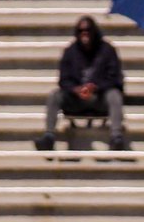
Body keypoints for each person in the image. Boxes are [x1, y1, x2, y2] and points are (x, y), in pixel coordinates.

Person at [35, 16, 125, 152]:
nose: (85, 33)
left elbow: (115, 79)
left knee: (114, 95)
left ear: (94, 31)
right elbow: (63, 80)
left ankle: (116, 137)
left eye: (88, 30)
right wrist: (75, 89)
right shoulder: (70, 51)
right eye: (81, 30)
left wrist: (95, 87)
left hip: (99, 98)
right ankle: (48, 136)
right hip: (76, 99)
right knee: (55, 95)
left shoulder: (107, 50)